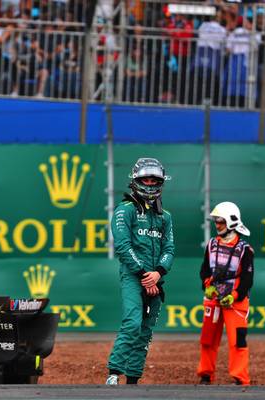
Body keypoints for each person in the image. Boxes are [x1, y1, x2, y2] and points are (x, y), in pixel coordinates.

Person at [106, 158, 175, 385]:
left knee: (146, 331)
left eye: (154, 180)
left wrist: (158, 273)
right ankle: (114, 373)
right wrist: (146, 275)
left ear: (161, 182)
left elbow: (169, 249)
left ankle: (133, 379)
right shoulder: (124, 210)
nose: (150, 183)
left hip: (155, 279)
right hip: (133, 277)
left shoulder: (165, 216)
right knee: (132, 323)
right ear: (135, 180)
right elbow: (123, 246)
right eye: (145, 178)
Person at [197, 202, 253, 386]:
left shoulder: (245, 249)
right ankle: (205, 375)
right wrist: (207, 285)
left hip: (235, 302)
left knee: (238, 341)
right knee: (207, 340)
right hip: (213, 300)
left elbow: (247, 279)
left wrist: (235, 295)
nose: (217, 225)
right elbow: (204, 271)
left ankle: (240, 378)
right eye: (216, 221)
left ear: (231, 222)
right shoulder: (211, 244)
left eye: (220, 221)